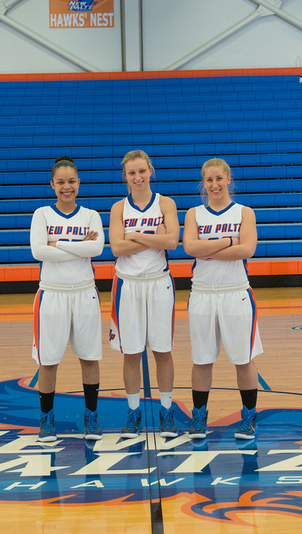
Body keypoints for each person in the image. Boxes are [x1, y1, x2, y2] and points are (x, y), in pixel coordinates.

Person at [182, 158, 263, 440]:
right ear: (203, 183)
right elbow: (190, 247)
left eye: (219, 179)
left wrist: (207, 250)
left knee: (243, 358)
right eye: (209, 180)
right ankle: (199, 417)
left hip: (236, 293)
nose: (214, 184)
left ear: (229, 180)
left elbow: (248, 249)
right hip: (202, 294)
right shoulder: (194, 214)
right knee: (202, 359)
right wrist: (229, 242)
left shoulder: (245, 213)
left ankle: (249, 417)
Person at [30, 156, 105, 442]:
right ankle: (46, 420)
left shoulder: (91, 215)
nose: (66, 187)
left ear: (79, 182)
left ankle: (91, 418)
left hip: (85, 293)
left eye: (71, 181)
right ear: (52, 184)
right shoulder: (42, 214)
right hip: (52, 295)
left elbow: (97, 248)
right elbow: (38, 252)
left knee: (89, 357)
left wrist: (57, 243)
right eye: (61, 182)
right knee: (48, 361)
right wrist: (79, 246)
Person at [108, 150, 180, 438]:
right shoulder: (118, 208)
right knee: (132, 353)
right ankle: (134, 413)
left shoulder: (165, 203)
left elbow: (172, 241)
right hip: (127, 284)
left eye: (142, 171)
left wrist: (134, 237)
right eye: (131, 173)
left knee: (163, 351)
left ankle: (166, 412)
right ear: (125, 176)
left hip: (159, 283)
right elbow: (116, 249)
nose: (137, 178)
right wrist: (154, 238)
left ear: (151, 171)